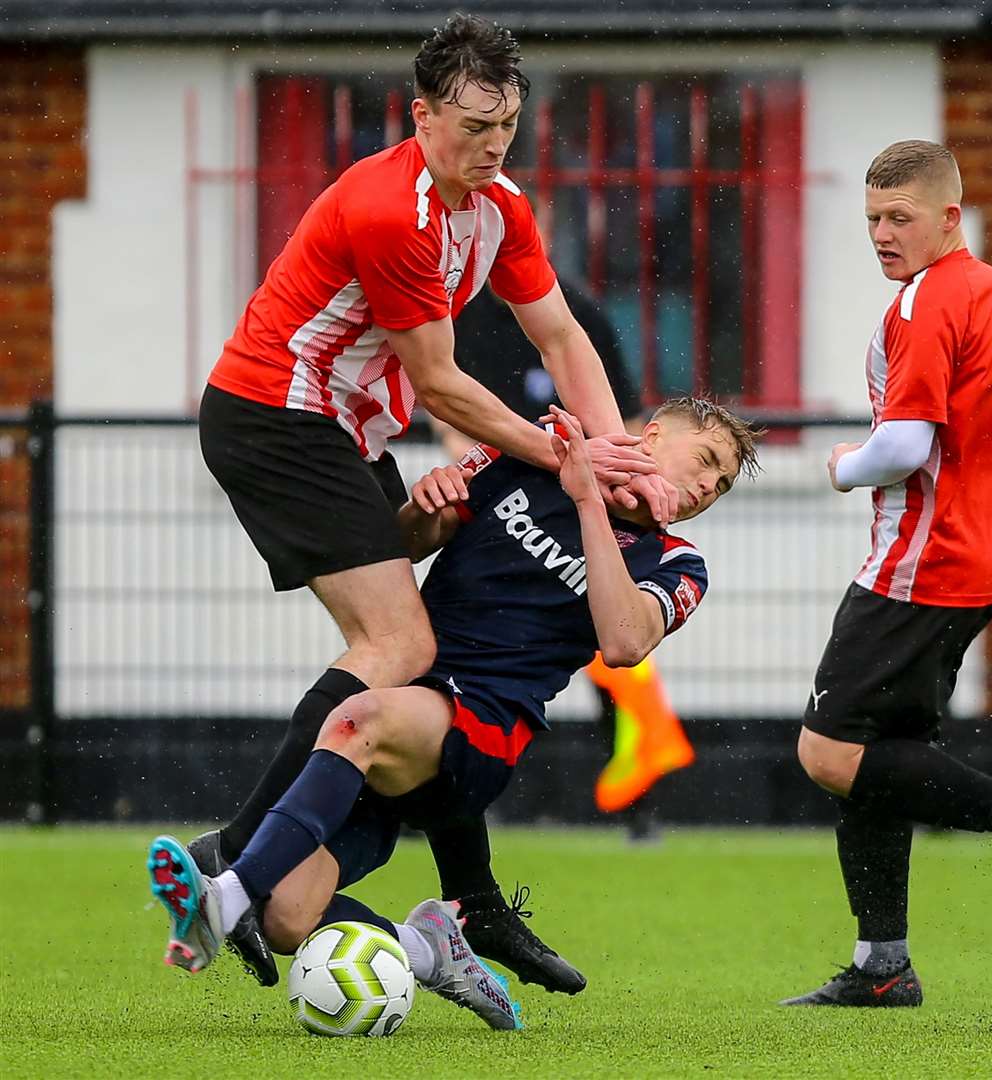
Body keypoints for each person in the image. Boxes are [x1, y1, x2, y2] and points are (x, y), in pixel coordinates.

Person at [189, 13, 678, 992]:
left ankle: (446, 919)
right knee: (403, 650)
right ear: (420, 115)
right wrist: (565, 459)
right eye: (472, 127)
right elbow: (445, 386)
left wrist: (614, 449)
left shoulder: (500, 207)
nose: (492, 148)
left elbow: (563, 338)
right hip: (278, 417)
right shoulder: (390, 209)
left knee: (426, 650)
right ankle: (234, 857)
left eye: (507, 128)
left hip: (346, 430)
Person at [146, 398, 761, 1030]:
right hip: (407, 709)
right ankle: (428, 948)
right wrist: (426, 509)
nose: (708, 487)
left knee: (357, 718)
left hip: (482, 731)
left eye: (721, 485)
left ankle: (224, 896)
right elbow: (404, 548)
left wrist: (588, 502)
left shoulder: (677, 562)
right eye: (707, 460)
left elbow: (625, 642)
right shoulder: (525, 460)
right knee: (287, 917)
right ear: (650, 436)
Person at [781, 140, 992, 1009]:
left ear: (947, 217)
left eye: (898, 218)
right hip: (972, 561)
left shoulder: (923, 302)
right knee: (881, 755)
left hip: (915, 569)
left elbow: (902, 446)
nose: (881, 234)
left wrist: (833, 465)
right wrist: (987, 488)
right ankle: (883, 964)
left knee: (829, 751)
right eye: (872, 219)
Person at [447, 282, 697, 829]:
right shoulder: (461, 313)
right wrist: (469, 470)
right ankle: (466, 796)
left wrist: (618, 493)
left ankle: (638, 799)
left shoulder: (579, 313)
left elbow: (624, 420)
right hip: (513, 483)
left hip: (592, 499)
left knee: (620, 664)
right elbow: (442, 398)